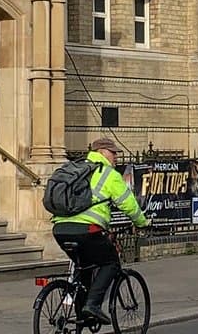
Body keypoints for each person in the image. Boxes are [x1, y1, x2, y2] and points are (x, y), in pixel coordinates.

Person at [50, 138, 149, 326]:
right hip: (88, 230)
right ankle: (93, 305)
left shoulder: (76, 170)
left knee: (85, 267)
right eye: (113, 153)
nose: (116, 157)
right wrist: (142, 222)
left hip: (60, 229)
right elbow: (129, 205)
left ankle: (82, 316)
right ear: (102, 152)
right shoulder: (108, 174)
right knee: (111, 263)